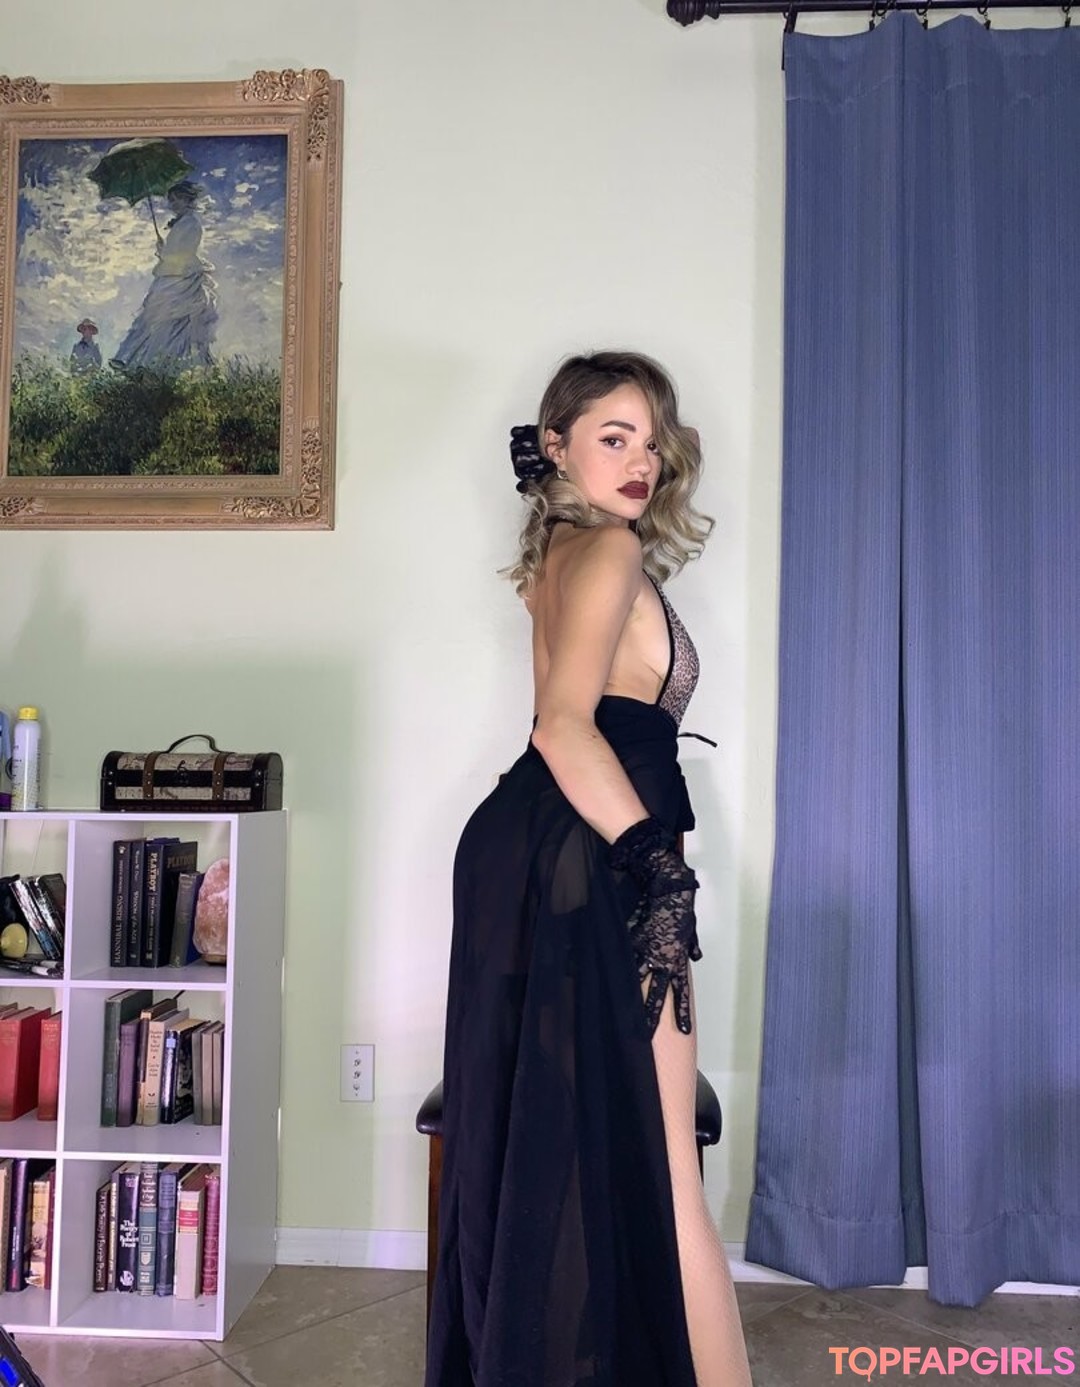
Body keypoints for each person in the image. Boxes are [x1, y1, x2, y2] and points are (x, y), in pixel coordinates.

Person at [427, 351, 753, 1386]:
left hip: (545, 847)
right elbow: (565, 726)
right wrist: (661, 871)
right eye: (615, 437)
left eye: (651, 441)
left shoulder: (561, 555)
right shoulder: (607, 547)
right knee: (667, 1170)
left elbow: (563, 730)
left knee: (575, 1138)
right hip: (598, 860)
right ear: (556, 445)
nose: (641, 460)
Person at [111, 180, 218, 373]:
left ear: (188, 199)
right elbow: (173, 252)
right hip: (169, 275)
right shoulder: (181, 223)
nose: (173, 204)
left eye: (177, 199)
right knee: (151, 318)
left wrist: (164, 252)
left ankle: (151, 365)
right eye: (171, 200)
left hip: (181, 278)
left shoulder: (192, 224)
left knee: (168, 324)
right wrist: (164, 250)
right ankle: (129, 359)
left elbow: (183, 254)